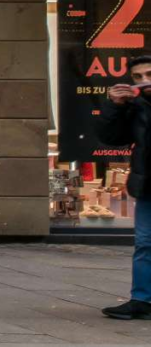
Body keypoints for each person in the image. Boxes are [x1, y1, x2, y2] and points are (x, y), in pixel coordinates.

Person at [95, 59, 151, 318]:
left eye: (148, 75)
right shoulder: (137, 106)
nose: (143, 81)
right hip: (147, 183)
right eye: (137, 77)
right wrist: (114, 106)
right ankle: (142, 300)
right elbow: (111, 137)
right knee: (145, 243)